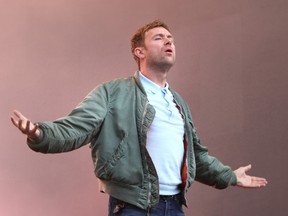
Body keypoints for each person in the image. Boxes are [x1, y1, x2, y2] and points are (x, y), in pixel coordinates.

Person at [11, 20, 267, 216]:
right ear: (139, 52)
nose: (168, 41)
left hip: (175, 207)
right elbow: (76, 128)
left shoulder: (179, 103)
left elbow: (196, 157)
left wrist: (230, 177)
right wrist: (40, 133)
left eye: (171, 38)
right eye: (159, 38)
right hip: (133, 207)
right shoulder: (113, 93)